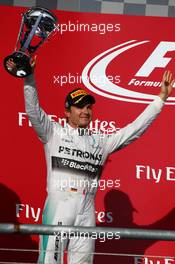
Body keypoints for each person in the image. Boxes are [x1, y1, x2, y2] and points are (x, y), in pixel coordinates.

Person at [6, 59, 174, 264]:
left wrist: (161, 99)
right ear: (67, 112)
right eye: (79, 107)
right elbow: (33, 112)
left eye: (88, 107)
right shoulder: (53, 133)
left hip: (86, 214)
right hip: (58, 209)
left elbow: (134, 130)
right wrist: (29, 78)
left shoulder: (101, 142)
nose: (85, 111)